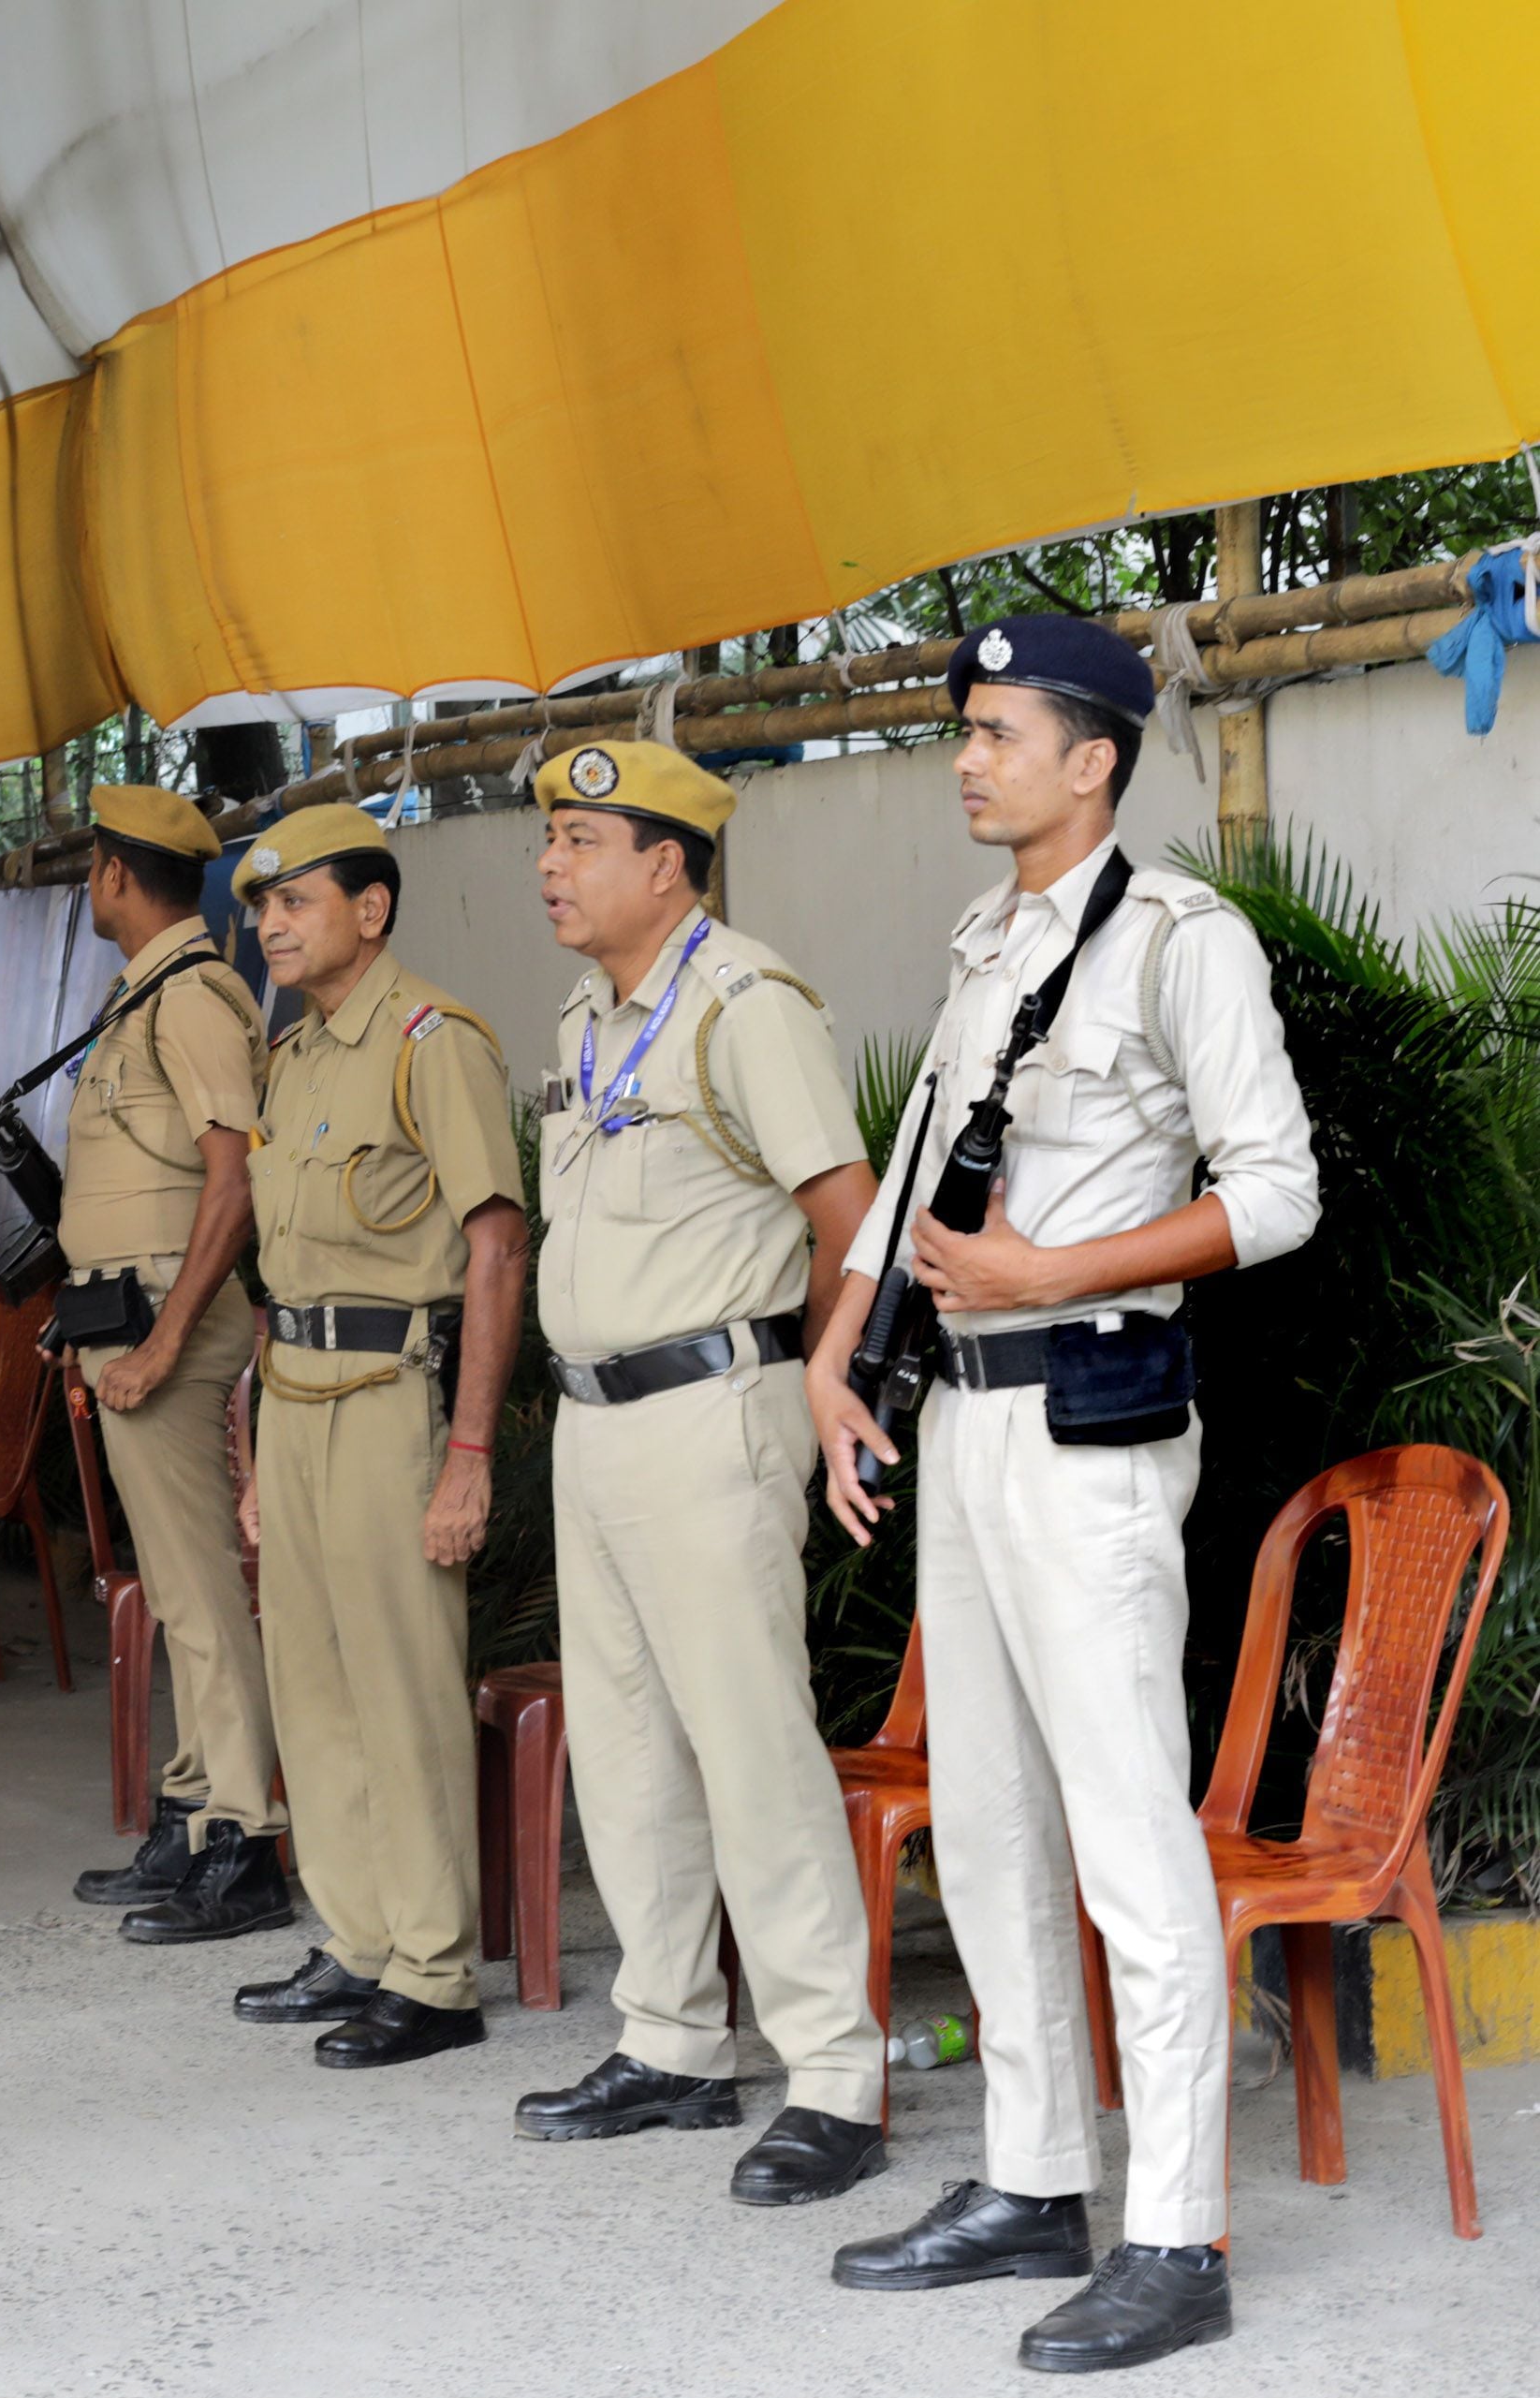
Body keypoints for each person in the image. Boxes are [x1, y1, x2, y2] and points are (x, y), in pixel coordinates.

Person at [809, 619, 1318, 2372]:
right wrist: (833, 1356)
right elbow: (906, 1208)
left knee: (1120, 1833)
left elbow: (1272, 1197)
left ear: (1089, 758)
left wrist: (1055, 1271)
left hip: (1088, 1430)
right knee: (994, 1815)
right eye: (961, 729)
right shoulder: (982, 947)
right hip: (954, 1427)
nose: (964, 757)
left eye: (995, 731)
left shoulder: (1182, 941)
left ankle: (1172, 2235)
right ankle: (1031, 2181)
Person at [513, 740, 888, 2200]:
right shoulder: (581, 1013)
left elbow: (845, 1214)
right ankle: (668, 2043)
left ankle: (835, 2076)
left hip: (707, 1409)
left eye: (580, 841)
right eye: (547, 842)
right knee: (622, 1745)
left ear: (664, 862)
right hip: (593, 1423)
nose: (549, 866)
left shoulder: (744, 1003)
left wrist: (819, 1371)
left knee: (746, 1744)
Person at [227, 802, 528, 2067]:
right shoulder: (286, 1057)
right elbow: (274, 1268)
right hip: (292, 1398)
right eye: (260, 906)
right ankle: (353, 1939)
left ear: (370, 908)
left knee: (400, 1685)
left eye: (291, 901)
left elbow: (494, 1244)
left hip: (388, 1394)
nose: (268, 925)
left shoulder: (430, 1041)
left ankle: (432, 1970)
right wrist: (249, 1456)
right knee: (311, 1680)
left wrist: (465, 1454)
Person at [52, 786, 288, 1942]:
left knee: (198, 1598)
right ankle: (197, 1808)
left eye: (92, 865)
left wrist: (158, 1339)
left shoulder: (191, 998)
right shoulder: (145, 994)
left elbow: (231, 1181)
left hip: (164, 1324)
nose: (87, 882)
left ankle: (244, 1841)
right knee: (182, 1588)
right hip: (128, 1316)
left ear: (114, 875)